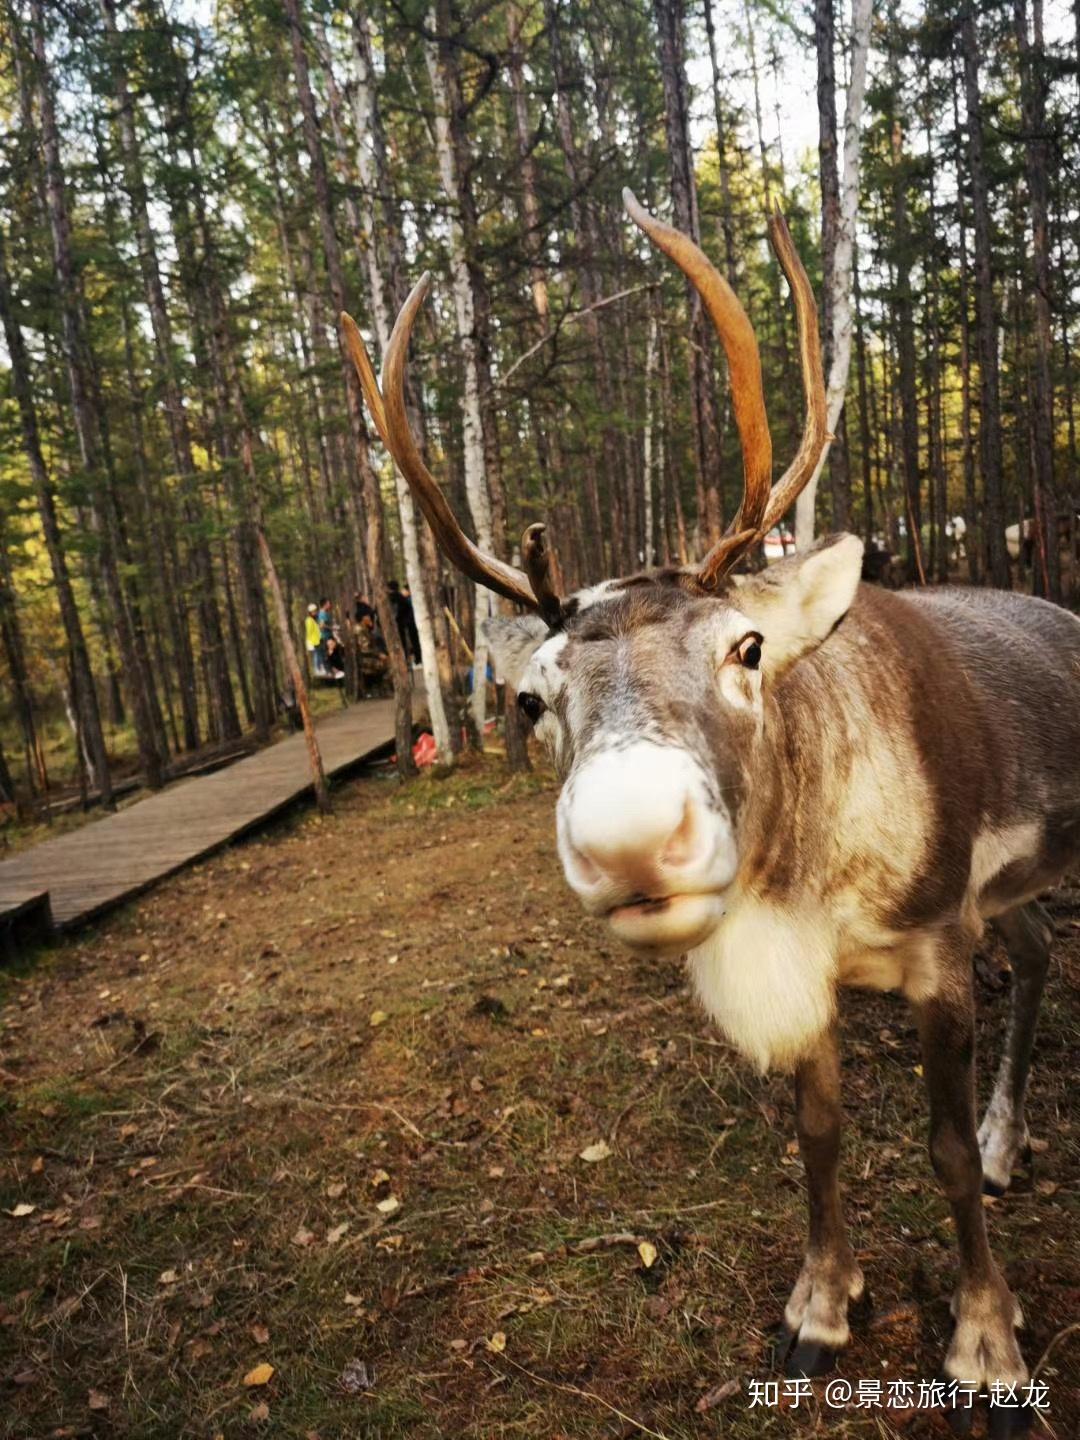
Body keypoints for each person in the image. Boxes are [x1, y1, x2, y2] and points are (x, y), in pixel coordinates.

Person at [388, 579, 421, 665]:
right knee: (404, 643)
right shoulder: (401, 597)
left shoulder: (386, 598)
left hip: (391, 626)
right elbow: (408, 609)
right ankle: (408, 660)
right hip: (403, 624)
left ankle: (398, 662)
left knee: (394, 644)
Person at [304, 603, 323, 674]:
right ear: (310, 613)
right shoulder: (309, 620)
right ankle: (317, 669)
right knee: (316, 655)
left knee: (319, 654)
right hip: (313, 641)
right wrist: (309, 642)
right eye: (313, 611)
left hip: (318, 639)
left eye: (315, 611)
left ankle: (320, 668)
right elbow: (309, 631)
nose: (315, 612)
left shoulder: (316, 619)